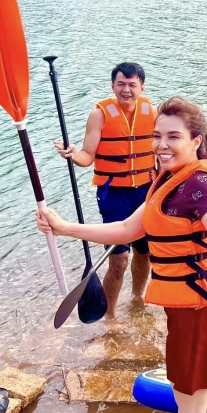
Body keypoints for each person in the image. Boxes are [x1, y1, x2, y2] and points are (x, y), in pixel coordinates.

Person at [39, 97, 207, 413]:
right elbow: (126, 228)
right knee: (206, 396)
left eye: (173, 137)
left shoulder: (200, 187)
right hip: (199, 304)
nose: (162, 145)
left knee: (190, 411)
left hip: (199, 309)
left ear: (195, 141)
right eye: (157, 136)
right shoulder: (168, 179)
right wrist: (64, 228)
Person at [55, 63, 156, 319]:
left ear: (141, 87)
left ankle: (137, 298)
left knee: (144, 253)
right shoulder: (99, 115)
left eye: (132, 85)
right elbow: (88, 156)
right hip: (114, 195)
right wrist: (74, 154)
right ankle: (110, 316)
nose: (126, 90)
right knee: (119, 260)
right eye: (121, 84)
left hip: (146, 191)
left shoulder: (152, 112)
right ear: (113, 86)